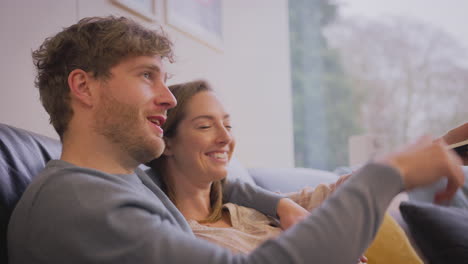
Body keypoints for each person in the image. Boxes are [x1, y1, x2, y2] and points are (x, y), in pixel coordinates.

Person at [7, 16, 465, 264]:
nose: (167, 97)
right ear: (83, 87)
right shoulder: (79, 205)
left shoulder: (124, 179)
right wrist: (388, 172)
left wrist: (277, 203)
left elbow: (222, 184)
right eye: (147, 76)